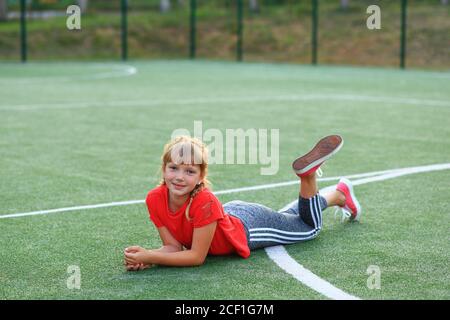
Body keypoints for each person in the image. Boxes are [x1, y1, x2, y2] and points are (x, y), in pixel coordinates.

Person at [123, 135, 361, 270]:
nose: (179, 177)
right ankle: (338, 195)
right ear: (163, 169)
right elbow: (173, 248)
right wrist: (147, 256)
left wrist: (151, 257)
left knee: (309, 228)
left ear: (200, 178)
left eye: (189, 171)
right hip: (231, 215)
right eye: (173, 168)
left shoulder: (204, 201)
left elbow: (196, 257)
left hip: (249, 228)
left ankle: (308, 176)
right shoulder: (154, 198)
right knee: (292, 220)